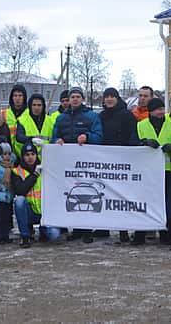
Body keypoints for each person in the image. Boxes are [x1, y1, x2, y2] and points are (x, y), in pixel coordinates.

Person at [53, 87, 103, 243]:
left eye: (77, 96)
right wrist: (57, 141)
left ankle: (87, 230)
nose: (75, 99)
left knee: (86, 196)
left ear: (82, 99)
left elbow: (99, 136)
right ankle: (75, 228)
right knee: (72, 195)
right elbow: (55, 136)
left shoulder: (91, 116)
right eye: (72, 96)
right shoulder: (61, 118)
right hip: (67, 164)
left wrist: (87, 137)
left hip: (86, 163)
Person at [133, 97, 171, 245]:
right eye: (157, 110)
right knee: (144, 203)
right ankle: (140, 234)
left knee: (165, 204)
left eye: (162, 109)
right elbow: (132, 143)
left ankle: (165, 234)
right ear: (151, 111)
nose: (161, 112)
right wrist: (144, 143)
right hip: (147, 172)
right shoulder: (140, 125)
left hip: (167, 171)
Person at [98, 87, 137, 242]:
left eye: (112, 96)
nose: (109, 99)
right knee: (105, 194)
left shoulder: (127, 115)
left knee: (121, 197)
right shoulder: (101, 116)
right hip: (105, 161)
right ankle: (104, 227)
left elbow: (133, 135)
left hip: (122, 161)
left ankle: (123, 229)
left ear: (117, 98)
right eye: (106, 96)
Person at [11, 143, 59, 247]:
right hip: (29, 212)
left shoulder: (46, 169)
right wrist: (34, 175)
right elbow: (20, 190)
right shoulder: (17, 171)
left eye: (32, 154)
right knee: (19, 200)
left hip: (45, 213)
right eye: (27, 155)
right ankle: (25, 236)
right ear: (23, 157)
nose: (30, 157)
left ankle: (43, 230)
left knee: (54, 234)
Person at [0, 142, 15, 243]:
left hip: (8, 197)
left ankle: (5, 235)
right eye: (4, 154)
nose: (7, 156)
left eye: (9, 154)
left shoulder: (11, 167)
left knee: (6, 217)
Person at [5, 84, 29, 158]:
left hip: (26, 153)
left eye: (20, 95)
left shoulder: (29, 114)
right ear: (11, 98)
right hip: (8, 154)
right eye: (15, 96)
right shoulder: (4, 113)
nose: (17, 98)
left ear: (24, 97)